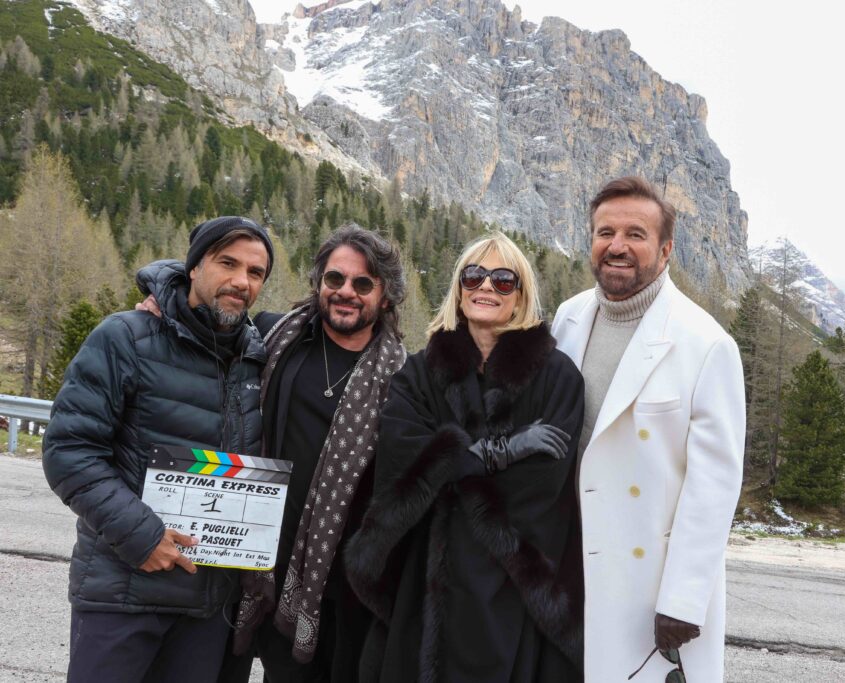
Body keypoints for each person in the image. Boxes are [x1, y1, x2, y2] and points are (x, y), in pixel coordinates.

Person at [42, 216, 275, 683]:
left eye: (255, 272)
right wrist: (141, 537)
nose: (241, 281)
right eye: (227, 263)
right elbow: (69, 450)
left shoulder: (260, 358)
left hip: (207, 608)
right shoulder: (124, 337)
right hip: (124, 590)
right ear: (194, 266)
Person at [345, 232, 586, 682]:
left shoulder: (557, 377)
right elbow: (401, 454)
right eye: (473, 276)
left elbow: (543, 483)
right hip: (424, 574)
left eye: (503, 280)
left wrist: (449, 469)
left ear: (521, 295)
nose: (486, 287)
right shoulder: (419, 372)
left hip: (513, 582)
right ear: (459, 289)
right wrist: (502, 452)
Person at [551, 176, 745, 682]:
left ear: (665, 249)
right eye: (605, 232)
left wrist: (683, 599)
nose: (617, 246)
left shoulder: (706, 343)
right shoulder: (568, 319)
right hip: (570, 565)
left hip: (649, 584)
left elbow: (714, 485)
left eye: (635, 234)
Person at [224, 224, 407, 681]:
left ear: (386, 297)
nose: (346, 292)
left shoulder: (403, 381)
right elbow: (200, 310)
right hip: (249, 566)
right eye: (335, 278)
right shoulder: (271, 335)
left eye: (363, 284)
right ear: (318, 282)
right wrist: (157, 296)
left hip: (334, 591)